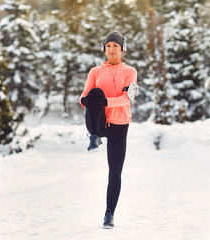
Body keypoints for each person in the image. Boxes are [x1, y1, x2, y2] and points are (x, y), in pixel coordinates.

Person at [79, 31, 138, 228]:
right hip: (99, 122)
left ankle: (109, 213)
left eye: (115, 45)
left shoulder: (130, 72)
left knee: (115, 172)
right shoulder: (95, 71)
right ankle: (94, 137)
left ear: (122, 48)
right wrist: (87, 100)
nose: (111, 49)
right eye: (108, 45)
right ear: (104, 48)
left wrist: (104, 101)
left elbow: (126, 99)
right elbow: (84, 96)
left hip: (120, 125)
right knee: (95, 92)